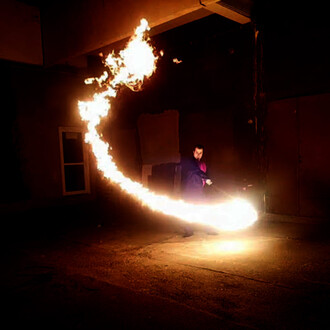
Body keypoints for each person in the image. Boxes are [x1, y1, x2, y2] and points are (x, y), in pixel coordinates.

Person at [180, 144, 213, 237]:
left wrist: (207, 180)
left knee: (205, 209)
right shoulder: (189, 162)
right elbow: (195, 171)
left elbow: (205, 173)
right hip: (189, 191)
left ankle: (209, 229)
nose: (198, 154)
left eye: (201, 153)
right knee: (188, 210)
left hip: (199, 191)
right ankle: (188, 231)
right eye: (197, 152)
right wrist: (206, 178)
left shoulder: (203, 164)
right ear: (193, 152)